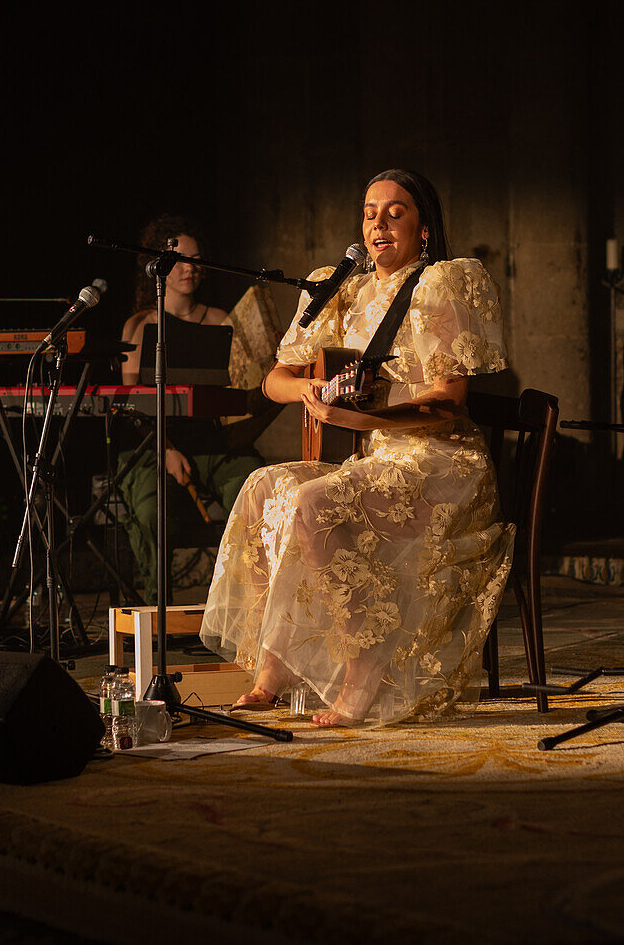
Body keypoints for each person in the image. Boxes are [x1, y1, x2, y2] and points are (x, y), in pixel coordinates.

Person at [199, 169, 515, 727]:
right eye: (370, 212)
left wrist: (365, 415)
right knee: (263, 486)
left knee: (314, 502)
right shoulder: (342, 286)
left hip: (443, 463)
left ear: (423, 227)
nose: (379, 223)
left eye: (395, 211)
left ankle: (363, 664)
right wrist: (310, 391)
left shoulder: (443, 281)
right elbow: (275, 379)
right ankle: (273, 669)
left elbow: (448, 400)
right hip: (378, 458)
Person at [118, 214, 268, 605]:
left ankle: (243, 604)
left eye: (196, 259)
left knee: (253, 487)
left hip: (212, 441)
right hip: (155, 445)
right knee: (152, 512)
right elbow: (131, 403)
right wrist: (165, 449)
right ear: (158, 267)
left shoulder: (220, 320)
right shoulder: (138, 325)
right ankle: (157, 610)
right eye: (179, 259)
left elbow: (241, 391)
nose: (190, 267)